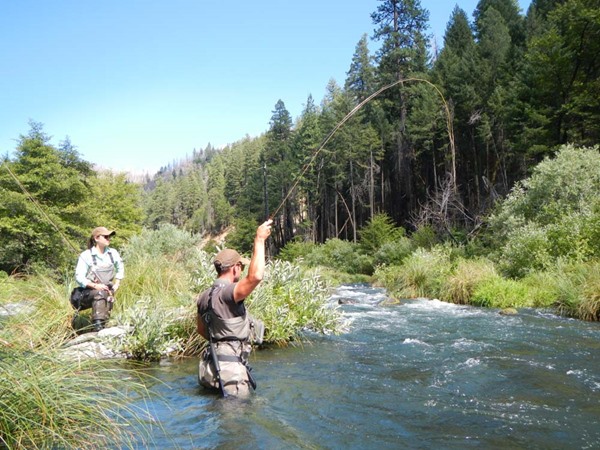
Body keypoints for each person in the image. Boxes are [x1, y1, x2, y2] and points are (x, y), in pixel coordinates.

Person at [196, 219, 273, 397]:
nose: (242, 270)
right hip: (230, 373)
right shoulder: (229, 293)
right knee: (236, 422)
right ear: (235, 268)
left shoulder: (203, 296)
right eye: (241, 266)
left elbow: (202, 331)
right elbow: (255, 277)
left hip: (210, 368)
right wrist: (259, 240)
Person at [74, 226, 124, 332]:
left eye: (109, 237)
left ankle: (102, 325)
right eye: (105, 236)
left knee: (106, 313)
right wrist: (95, 286)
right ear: (96, 238)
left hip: (108, 291)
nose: (108, 239)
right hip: (87, 293)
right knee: (100, 293)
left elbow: (120, 268)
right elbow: (79, 277)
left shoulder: (113, 253)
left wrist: (117, 284)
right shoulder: (86, 255)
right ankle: (97, 327)